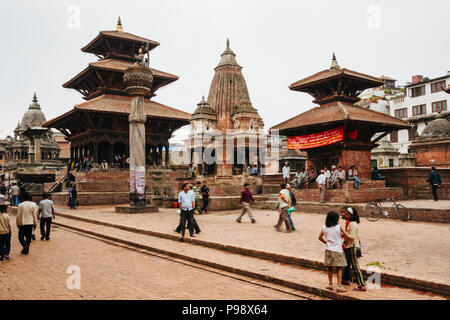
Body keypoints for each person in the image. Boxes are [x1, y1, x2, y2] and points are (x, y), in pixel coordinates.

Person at [318, 211, 349, 293]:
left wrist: (326, 243)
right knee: (339, 268)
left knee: (330, 267)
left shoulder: (324, 227)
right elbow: (346, 235)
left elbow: (320, 237)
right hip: (338, 250)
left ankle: (330, 284)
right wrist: (345, 243)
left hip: (329, 249)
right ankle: (339, 286)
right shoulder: (339, 227)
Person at [341, 207, 366, 291]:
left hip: (353, 247)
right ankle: (349, 280)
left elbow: (351, 237)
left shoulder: (352, 224)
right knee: (350, 265)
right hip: (350, 246)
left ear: (351, 215)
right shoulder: (353, 223)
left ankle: (361, 284)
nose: (346, 216)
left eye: (347, 214)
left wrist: (344, 232)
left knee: (355, 267)